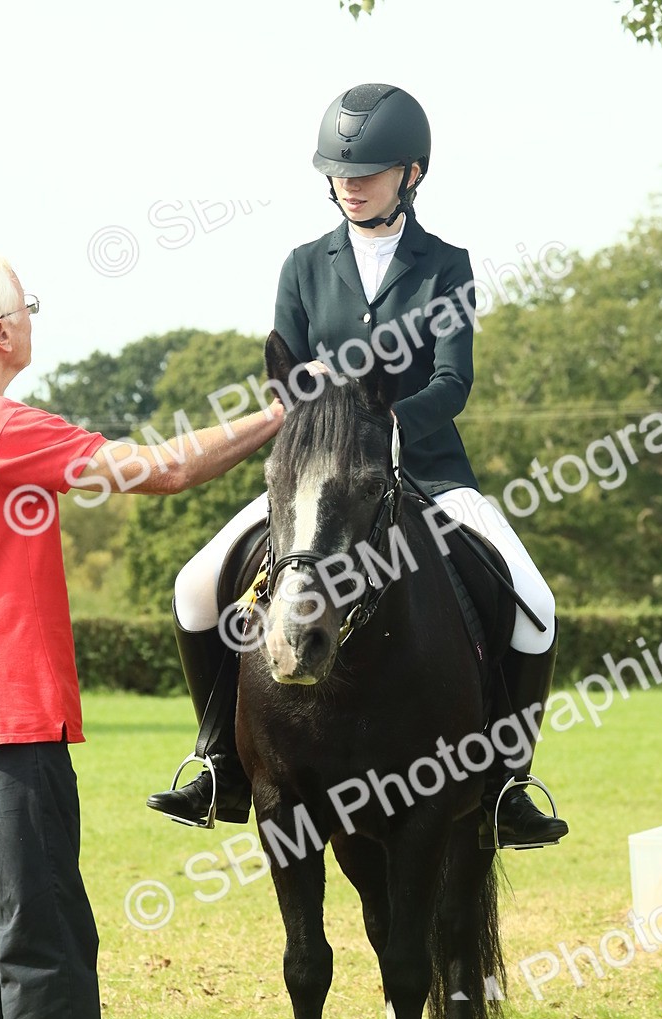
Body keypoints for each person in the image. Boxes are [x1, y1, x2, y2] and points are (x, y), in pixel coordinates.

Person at [147, 83, 568, 852]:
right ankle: (217, 762)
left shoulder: (447, 265)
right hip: (314, 483)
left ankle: (507, 781)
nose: (350, 181)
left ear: (413, 174)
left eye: (369, 169)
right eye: (340, 169)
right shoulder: (304, 266)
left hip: (431, 471)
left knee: (535, 605)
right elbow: (288, 375)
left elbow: (453, 381)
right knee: (192, 586)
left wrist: (390, 429)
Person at [0, 253, 283, 1019]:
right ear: (2, 333)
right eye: (28, 308)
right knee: (44, 947)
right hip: (8, 726)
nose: (34, 319)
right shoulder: (5, 428)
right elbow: (160, 471)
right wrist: (283, 413)